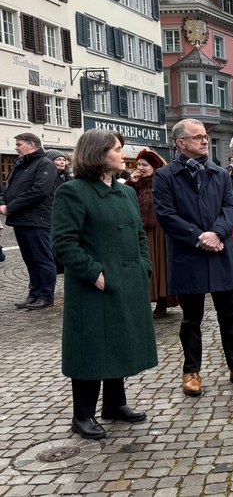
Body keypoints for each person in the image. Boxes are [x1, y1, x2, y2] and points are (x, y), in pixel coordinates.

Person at [52, 129, 157, 440]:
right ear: (97, 154)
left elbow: (140, 235)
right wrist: (94, 273)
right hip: (93, 286)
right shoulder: (73, 192)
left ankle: (114, 405)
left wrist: (143, 265)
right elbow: (63, 243)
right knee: (92, 347)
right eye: (116, 148)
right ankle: (82, 415)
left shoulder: (125, 191)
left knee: (119, 340)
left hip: (128, 280)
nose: (121, 153)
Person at [153, 119, 233, 397]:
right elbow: (165, 215)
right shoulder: (165, 176)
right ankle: (191, 371)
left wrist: (216, 233)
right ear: (180, 143)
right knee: (191, 318)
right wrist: (198, 236)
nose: (205, 141)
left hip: (221, 251)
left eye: (205, 137)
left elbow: (230, 208)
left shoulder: (219, 173)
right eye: (198, 137)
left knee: (230, 314)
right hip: (188, 253)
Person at [1, 133, 57, 310]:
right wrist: (3, 201)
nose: (16, 147)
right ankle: (34, 293)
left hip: (37, 220)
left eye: (19, 144)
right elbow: (8, 188)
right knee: (30, 260)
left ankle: (46, 296)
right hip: (21, 221)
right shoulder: (20, 164)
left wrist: (10, 207)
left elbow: (39, 191)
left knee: (43, 259)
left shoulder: (45, 164)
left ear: (32, 145)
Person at [126, 149, 173, 318]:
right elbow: (122, 198)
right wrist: (131, 182)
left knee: (158, 264)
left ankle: (161, 302)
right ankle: (143, 300)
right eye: (138, 164)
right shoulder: (134, 182)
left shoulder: (161, 181)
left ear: (154, 166)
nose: (140, 168)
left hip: (159, 229)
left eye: (144, 165)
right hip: (139, 229)